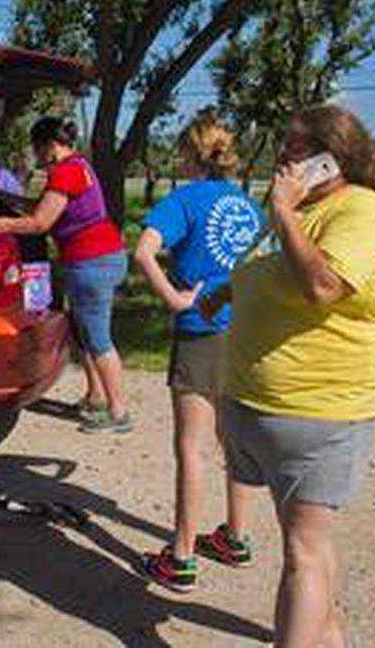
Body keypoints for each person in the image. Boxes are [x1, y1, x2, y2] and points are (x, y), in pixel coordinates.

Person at [214, 105, 375, 646]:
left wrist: (282, 210)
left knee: (302, 553)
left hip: (319, 410)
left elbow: (323, 286)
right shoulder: (296, 211)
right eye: (284, 145)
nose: (283, 157)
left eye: (297, 148)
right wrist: (219, 293)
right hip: (259, 405)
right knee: (308, 543)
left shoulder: (363, 212)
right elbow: (263, 267)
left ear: (334, 159)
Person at [132, 116, 263, 592]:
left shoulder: (184, 199)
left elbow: (143, 251)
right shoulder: (249, 206)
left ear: (190, 153)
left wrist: (172, 298)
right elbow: (263, 264)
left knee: (193, 448)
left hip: (200, 332)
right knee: (236, 443)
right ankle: (236, 537)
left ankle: (182, 558)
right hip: (246, 334)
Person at [0, 117, 130, 433]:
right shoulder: (79, 166)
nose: (36, 156)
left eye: (36, 148)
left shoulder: (65, 172)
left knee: (98, 338)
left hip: (92, 262)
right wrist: (9, 200)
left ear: (48, 145)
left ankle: (119, 412)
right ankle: (97, 396)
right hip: (102, 256)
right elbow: (47, 206)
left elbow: (40, 223)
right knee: (83, 332)